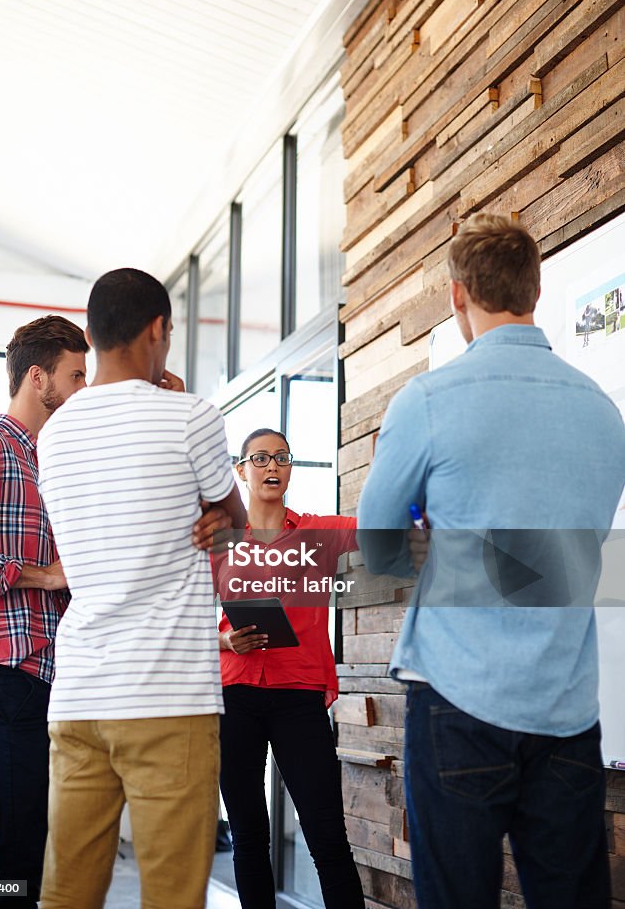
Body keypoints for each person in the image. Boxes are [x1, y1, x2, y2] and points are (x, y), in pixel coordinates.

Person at [357, 215, 625, 909]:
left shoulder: (429, 400)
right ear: (534, 291)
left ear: (456, 297)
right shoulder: (602, 412)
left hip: (457, 696)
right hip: (567, 705)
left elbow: (378, 543)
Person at [36, 267, 246, 909]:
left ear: (94, 337)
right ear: (159, 331)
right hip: (166, 695)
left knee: (66, 889)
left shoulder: (53, 435)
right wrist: (214, 512)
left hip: (78, 697)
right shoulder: (191, 417)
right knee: (173, 895)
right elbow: (233, 521)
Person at [0, 315, 89, 909]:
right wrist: (44, 575)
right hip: (2, 674)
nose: (82, 388)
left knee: (32, 843)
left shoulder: (48, 462)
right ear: (38, 377)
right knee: (9, 852)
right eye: (75, 375)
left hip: (44, 676)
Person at [213, 427, 366, 909]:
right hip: (234, 695)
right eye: (259, 458)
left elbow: (381, 527)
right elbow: (177, 617)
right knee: (248, 837)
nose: (272, 466)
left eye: (281, 457)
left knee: (326, 835)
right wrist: (223, 638)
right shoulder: (218, 541)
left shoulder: (319, 533)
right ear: (240, 470)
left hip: (299, 697)